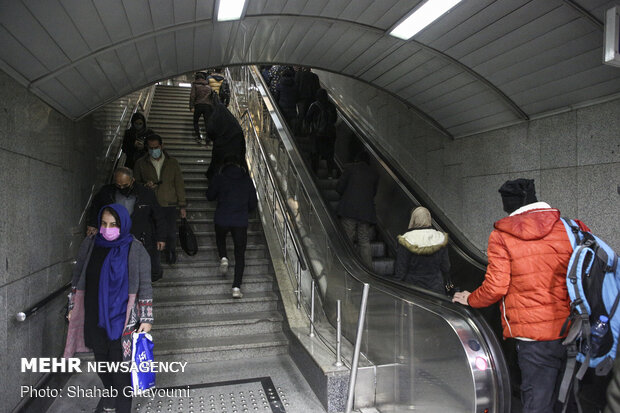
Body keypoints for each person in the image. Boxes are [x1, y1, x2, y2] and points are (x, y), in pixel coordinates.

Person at [452, 178, 590, 413]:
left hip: (533, 338)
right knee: (569, 400)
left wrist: (470, 299)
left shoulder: (502, 236)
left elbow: (496, 287)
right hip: (575, 330)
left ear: (509, 206)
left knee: (537, 400)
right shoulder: (570, 228)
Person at [64, 204, 153, 413]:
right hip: (94, 314)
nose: (107, 228)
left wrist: (147, 319)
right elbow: (78, 276)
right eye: (103, 224)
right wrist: (72, 305)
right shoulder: (92, 243)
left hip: (122, 319)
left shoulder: (135, 249)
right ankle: (110, 395)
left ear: (123, 225)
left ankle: (121, 406)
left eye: (113, 224)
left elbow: (145, 285)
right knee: (102, 363)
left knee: (121, 370)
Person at [86, 167, 166, 282]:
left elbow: (158, 216)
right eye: (118, 185)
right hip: (116, 237)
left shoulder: (146, 194)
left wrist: (161, 237)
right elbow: (95, 208)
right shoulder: (106, 192)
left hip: (140, 236)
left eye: (124, 185)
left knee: (146, 267)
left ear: (132, 180)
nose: (122, 188)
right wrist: (92, 224)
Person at [206, 156, 257, 298]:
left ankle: (223, 257)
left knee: (220, 237)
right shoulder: (247, 180)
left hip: (222, 218)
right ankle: (236, 287)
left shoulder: (219, 177)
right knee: (240, 255)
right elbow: (253, 203)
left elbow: (209, 196)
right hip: (240, 221)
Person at [133, 134, 187, 266]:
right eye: (150, 148)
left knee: (170, 232)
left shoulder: (172, 162)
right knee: (151, 233)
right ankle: (154, 260)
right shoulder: (141, 163)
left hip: (169, 203)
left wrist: (182, 205)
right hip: (150, 204)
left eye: (156, 147)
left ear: (162, 146)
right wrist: (145, 185)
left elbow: (179, 183)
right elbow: (135, 183)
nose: (153, 150)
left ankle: (171, 253)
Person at [336, 150, 379, 267]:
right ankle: (368, 268)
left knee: (348, 238)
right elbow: (373, 193)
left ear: (357, 159)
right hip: (365, 213)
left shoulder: (350, 168)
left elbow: (340, 187)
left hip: (349, 210)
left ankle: (348, 266)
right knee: (364, 240)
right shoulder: (374, 173)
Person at [394, 206, 450, 295]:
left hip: (413, 287)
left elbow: (401, 269)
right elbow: (446, 267)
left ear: (413, 219)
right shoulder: (440, 238)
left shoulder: (406, 239)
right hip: (436, 286)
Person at [205, 103, 246, 182]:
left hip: (220, 149)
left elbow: (210, 129)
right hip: (235, 153)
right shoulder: (234, 124)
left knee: (217, 167)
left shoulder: (216, 118)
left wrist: (210, 139)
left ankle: (215, 184)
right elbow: (242, 142)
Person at [305, 88, 338, 177]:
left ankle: (314, 174)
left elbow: (308, 119)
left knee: (315, 154)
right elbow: (334, 119)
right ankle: (330, 174)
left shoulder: (314, 106)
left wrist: (308, 131)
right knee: (330, 155)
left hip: (318, 134)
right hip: (330, 135)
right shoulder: (331, 106)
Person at [295, 67, 320, 135]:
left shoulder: (299, 74)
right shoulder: (315, 76)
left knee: (301, 115)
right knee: (309, 116)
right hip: (311, 99)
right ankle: (308, 132)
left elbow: (296, 86)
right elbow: (318, 88)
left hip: (301, 99)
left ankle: (298, 132)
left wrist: (295, 99)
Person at [189, 71, 213, 142]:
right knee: (207, 122)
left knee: (195, 121)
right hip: (208, 106)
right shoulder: (209, 86)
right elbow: (211, 97)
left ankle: (198, 137)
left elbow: (192, 96)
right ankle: (208, 138)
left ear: (196, 78)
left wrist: (191, 106)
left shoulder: (195, 85)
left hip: (198, 105)